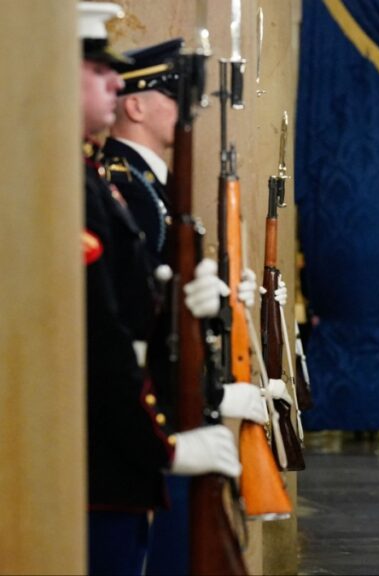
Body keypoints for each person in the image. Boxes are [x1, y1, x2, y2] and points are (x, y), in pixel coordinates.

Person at [100, 37, 270, 574]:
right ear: (136, 105)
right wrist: (215, 395)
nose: (187, 111)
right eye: (173, 96)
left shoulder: (152, 185)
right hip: (149, 409)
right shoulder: (125, 184)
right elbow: (139, 319)